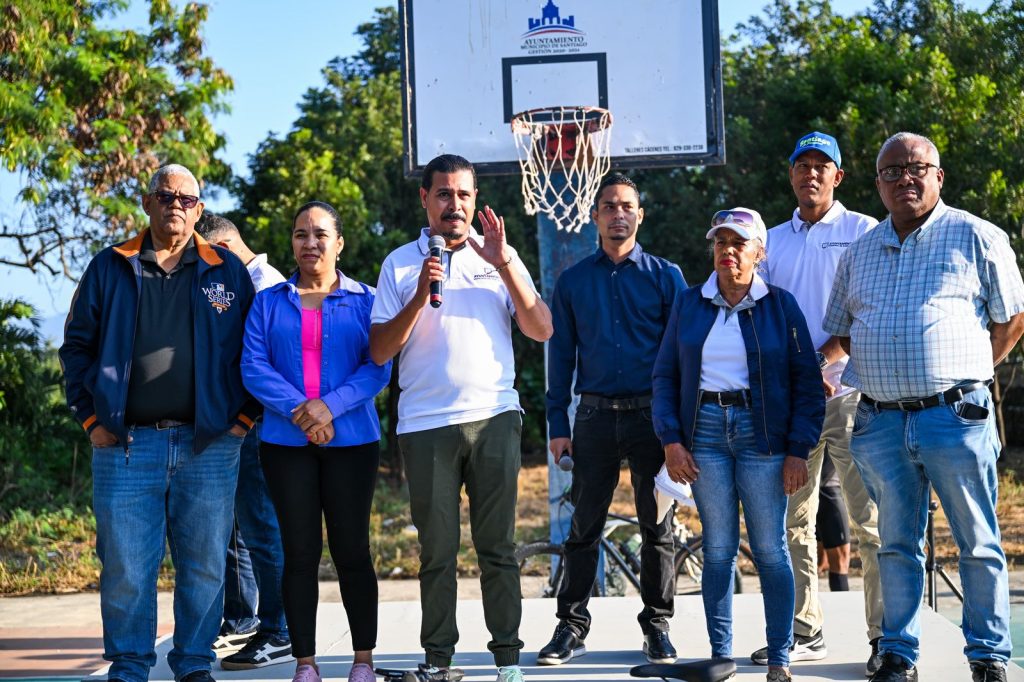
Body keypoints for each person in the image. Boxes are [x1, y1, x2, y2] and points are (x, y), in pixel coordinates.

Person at [824, 132, 1024, 682]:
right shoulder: (860, 250)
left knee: (978, 541)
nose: (904, 179)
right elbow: (839, 335)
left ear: (939, 176)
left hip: (953, 417)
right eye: (891, 171)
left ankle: (988, 658)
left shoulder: (976, 235)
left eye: (917, 168)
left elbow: (1012, 319)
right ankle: (897, 653)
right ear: (878, 184)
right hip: (879, 422)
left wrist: (971, 373)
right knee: (894, 544)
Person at [60, 164, 257, 682]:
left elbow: (255, 349)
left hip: (208, 445)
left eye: (187, 199)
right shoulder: (110, 266)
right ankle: (129, 666)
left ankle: (193, 664)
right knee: (126, 567)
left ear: (199, 209)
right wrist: (89, 417)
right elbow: (76, 346)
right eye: (166, 195)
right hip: (124, 446)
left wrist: (240, 420)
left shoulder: (227, 271)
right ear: (147, 203)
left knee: (206, 565)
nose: (176, 205)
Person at [368, 154, 553, 682]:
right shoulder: (400, 264)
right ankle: (438, 661)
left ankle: (508, 662)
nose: (455, 204)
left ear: (475, 201)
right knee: (438, 551)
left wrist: (502, 264)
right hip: (425, 424)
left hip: (493, 416)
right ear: (424, 199)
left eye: (464, 195)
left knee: (497, 547)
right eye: (444, 194)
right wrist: (420, 296)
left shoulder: (500, 254)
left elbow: (541, 329)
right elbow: (380, 351)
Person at [652, 208, 825, 682]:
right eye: (720, 242)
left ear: (759, 253)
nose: (728, 251)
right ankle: (721, 653)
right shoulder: (690, 303)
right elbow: (664, 375)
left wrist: (798, 449)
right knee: (720, 548)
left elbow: (807, 384)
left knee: (770, 549)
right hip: (703, 434)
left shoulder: (782, 306)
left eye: (739, 243)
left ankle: (780, 657)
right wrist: (670, 439)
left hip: (763, 437)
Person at [539, 173, 687, 666]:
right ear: (595, 215)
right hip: (595, 418)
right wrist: (558, 425)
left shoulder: (667, 277)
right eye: (608, 206)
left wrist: (681, 429)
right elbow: (559, 358)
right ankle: (571, 626)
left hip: (655, 419)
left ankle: (657, 626)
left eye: (627, 205)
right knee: (583, 526)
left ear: (640, 214)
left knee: (657, 528)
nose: (618, 213)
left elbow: (685, 357)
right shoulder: (574, 281)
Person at [242, 201, 391, 682]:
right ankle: (305, 663)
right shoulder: (268, 301)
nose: (310, 243)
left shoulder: (367, 300)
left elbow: (378, 366)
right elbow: (253, 366)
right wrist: (302, 413)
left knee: (352, 551)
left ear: (339, 242)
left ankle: (362, 660)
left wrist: (330, 407)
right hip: (286, 445)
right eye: (301, 234)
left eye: (320, 234)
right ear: (292, 242)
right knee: (299, 552)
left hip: (353, 444)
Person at [755, 131, 884, 674]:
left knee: (872, 523)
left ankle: (885, 637)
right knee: (792, 522)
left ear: (839, 177)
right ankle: (806, 631)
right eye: (801, 165)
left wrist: (826, 357)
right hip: (794, 404)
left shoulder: (864, 231)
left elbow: (874, 306)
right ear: (791, 175)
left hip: (855, 393)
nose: (811, 173)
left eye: (821, 165)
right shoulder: (771, 238)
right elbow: (756, 312)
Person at [195, 213, 292, 669]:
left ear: (228, 246)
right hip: (240, 424)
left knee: (262, 528)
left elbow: (264, 362)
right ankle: (248, 620)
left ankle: (279, 630)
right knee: (247, 529)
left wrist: (244, 416)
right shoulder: (249, 279)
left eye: (210, 255)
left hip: (257, 424)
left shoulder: (262, 284)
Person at [815, 453, 851, 593]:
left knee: (817, 562)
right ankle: (843, 612)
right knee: (840, 560)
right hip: (827, 490)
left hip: (819, 487)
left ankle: (808, 610)